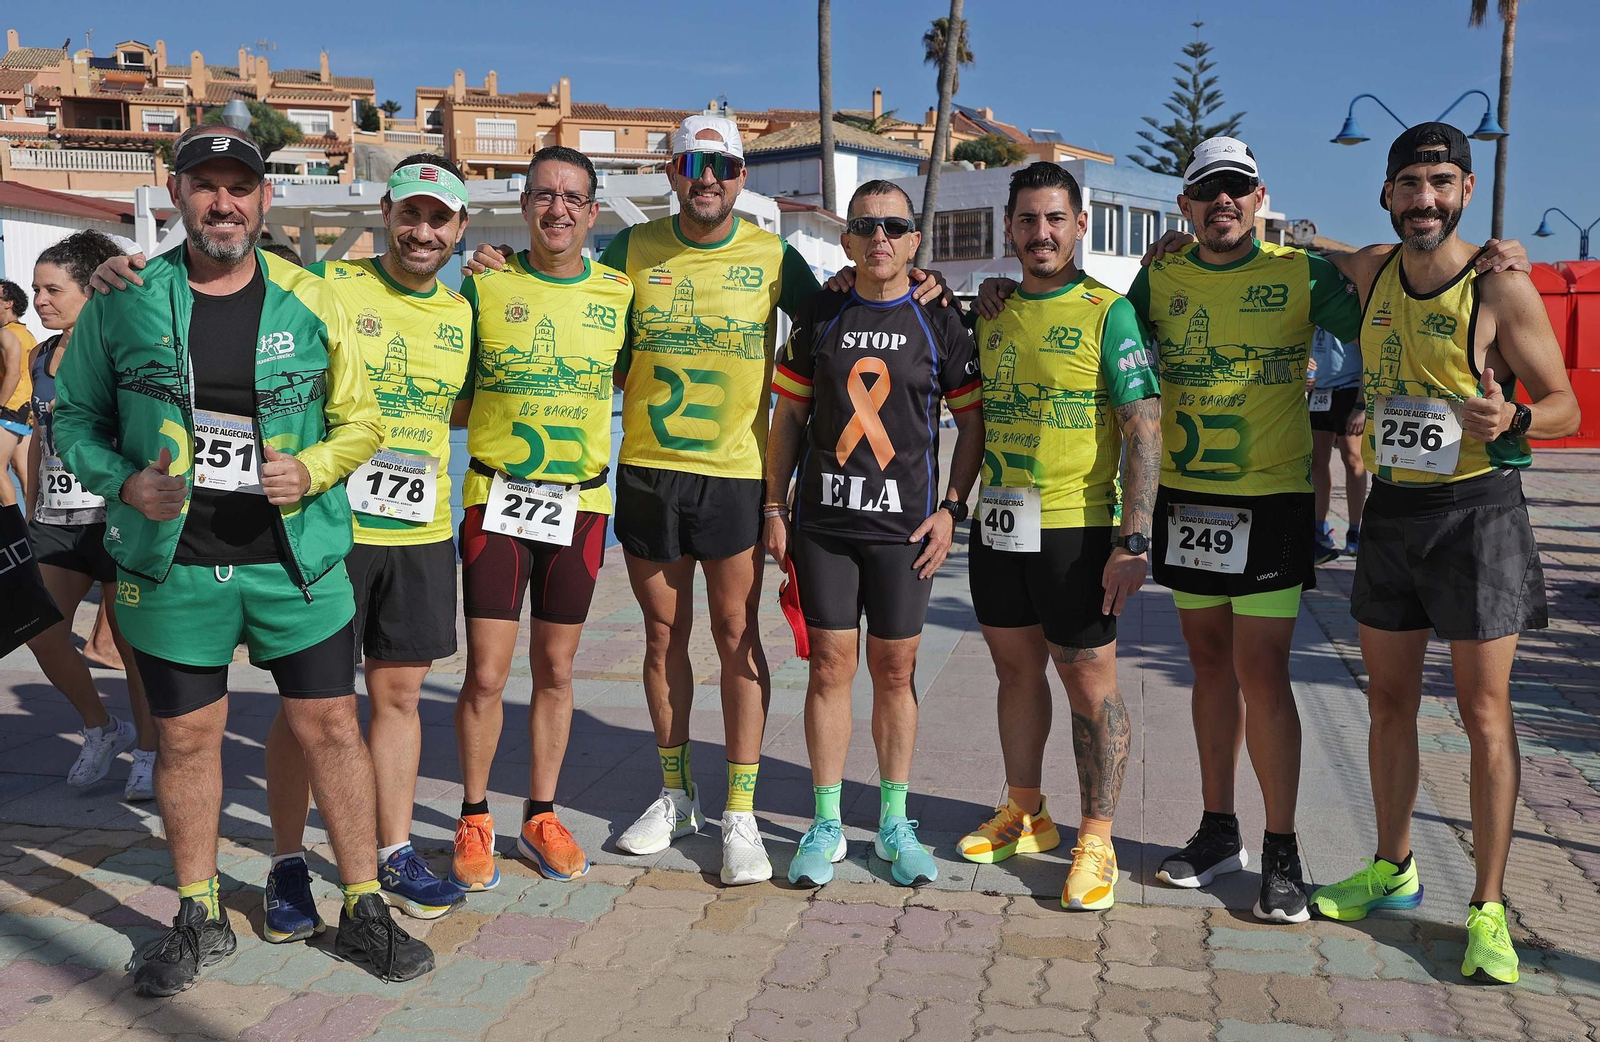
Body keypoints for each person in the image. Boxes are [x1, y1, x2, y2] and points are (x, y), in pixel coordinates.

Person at [54, 123, 432, 995]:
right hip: (173, 563)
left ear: (265, 201)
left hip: (292, 561)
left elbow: (365, 421)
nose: (222, 203)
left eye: (239, 187)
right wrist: (122, 483)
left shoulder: (313, 297)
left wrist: (315, 469)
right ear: (178, 195)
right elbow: (70, 419)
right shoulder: (124, 299)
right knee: (187, 741)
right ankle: (197, 913)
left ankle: (363, 906)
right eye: (204, 186)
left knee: (331, 725)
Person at [1305, 124, 1578, 985]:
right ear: (1388, 194)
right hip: (1392, 514)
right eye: (1410, 183)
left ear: (1464, 192)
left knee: (1483, 713)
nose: (1425, 198)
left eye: (1441, 183)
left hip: (1477, 518)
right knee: (1386, 702)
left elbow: (1566, 403)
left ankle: (1488, 906)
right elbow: (1293, 247)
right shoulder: (1373, 267)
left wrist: (1518, 421)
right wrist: (1178, 236)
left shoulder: (1500, 288)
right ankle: (1393, 868)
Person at [764, 179, 983, 887]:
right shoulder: (822, 309)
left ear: (915, 241)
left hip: (904, 532)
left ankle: (894, 822)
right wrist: (774, 508)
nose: (880, 237)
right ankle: (826, 821)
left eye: (894, 225)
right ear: (847, 240)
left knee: (895, 671)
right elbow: (790, 418)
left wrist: (952, 507)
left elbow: (972, 421)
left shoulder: (940, 318)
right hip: (824, 526)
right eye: (866, 225)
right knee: (828, 665)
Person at [955, 163, 1161, 911]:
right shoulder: (991, 309)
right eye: (1027, 220)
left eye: (1054, 219)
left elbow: (1143, 426)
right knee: (1014, 673)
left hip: (1078, 528)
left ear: (1079, 225)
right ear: (1009, 227)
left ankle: (1097, 837)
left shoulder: (1110, 313)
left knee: (1089, 683)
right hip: (999, 522)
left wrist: (1134, 539)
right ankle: (1027, 810)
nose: (1040, 233)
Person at [448, 146, 631, 891]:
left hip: (580, 506)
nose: (558, 209)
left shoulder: (619, 292)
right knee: (486, 674)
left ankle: (542, 814)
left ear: (592, 212)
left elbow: (633, 374)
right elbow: (450, 390)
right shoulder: (485, 284)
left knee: (555, 669)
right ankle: (474, 815)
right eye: (544, 195)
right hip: (495, 498)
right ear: (524, 204)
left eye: (573, 198)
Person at [19, 234, 157, 798]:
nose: (41, 301)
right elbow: (39, 438)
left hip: (117, 516)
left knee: (131, 646)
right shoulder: (40, 354)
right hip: (57, 519)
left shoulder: (122, 346)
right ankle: (102, 728)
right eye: (35, 290)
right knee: (39, 628)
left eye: (53, 290)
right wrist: (32, 509)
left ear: (89, 288)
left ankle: (148, 749)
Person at [1307, 324, 1367, 561]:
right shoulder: (1314, 302)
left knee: (1352, 459)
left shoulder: (1348, 302)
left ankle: (1355, 532)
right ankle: (1320, 528)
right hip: (1320, 391)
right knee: (1317, 462)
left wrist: (1360, 406)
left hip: (1349, 389)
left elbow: (1367, 354)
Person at [0, 280, 35, 507]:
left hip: (10, 408)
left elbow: (13, 374)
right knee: (23, 470)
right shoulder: (27, 334)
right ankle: (32, 525)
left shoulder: (5, 334)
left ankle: (13, 526)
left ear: (8, 303)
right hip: (27, 410)